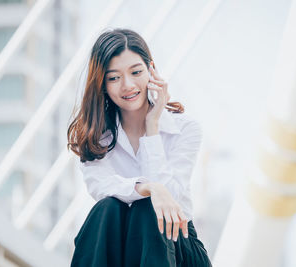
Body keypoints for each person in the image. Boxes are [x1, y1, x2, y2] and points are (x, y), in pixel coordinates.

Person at [67, 27, 212, 267]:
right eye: (114, 77)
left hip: (178, 249)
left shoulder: (184, 129)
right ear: (102, 84)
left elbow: (171, 199)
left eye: (136, 72)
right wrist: (149, 188)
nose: (127, 85)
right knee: (106, 209)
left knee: (148, 211)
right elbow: (100, 187)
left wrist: (152, 127)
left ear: (151, 71)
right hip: (120, 251)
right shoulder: (96, 138)